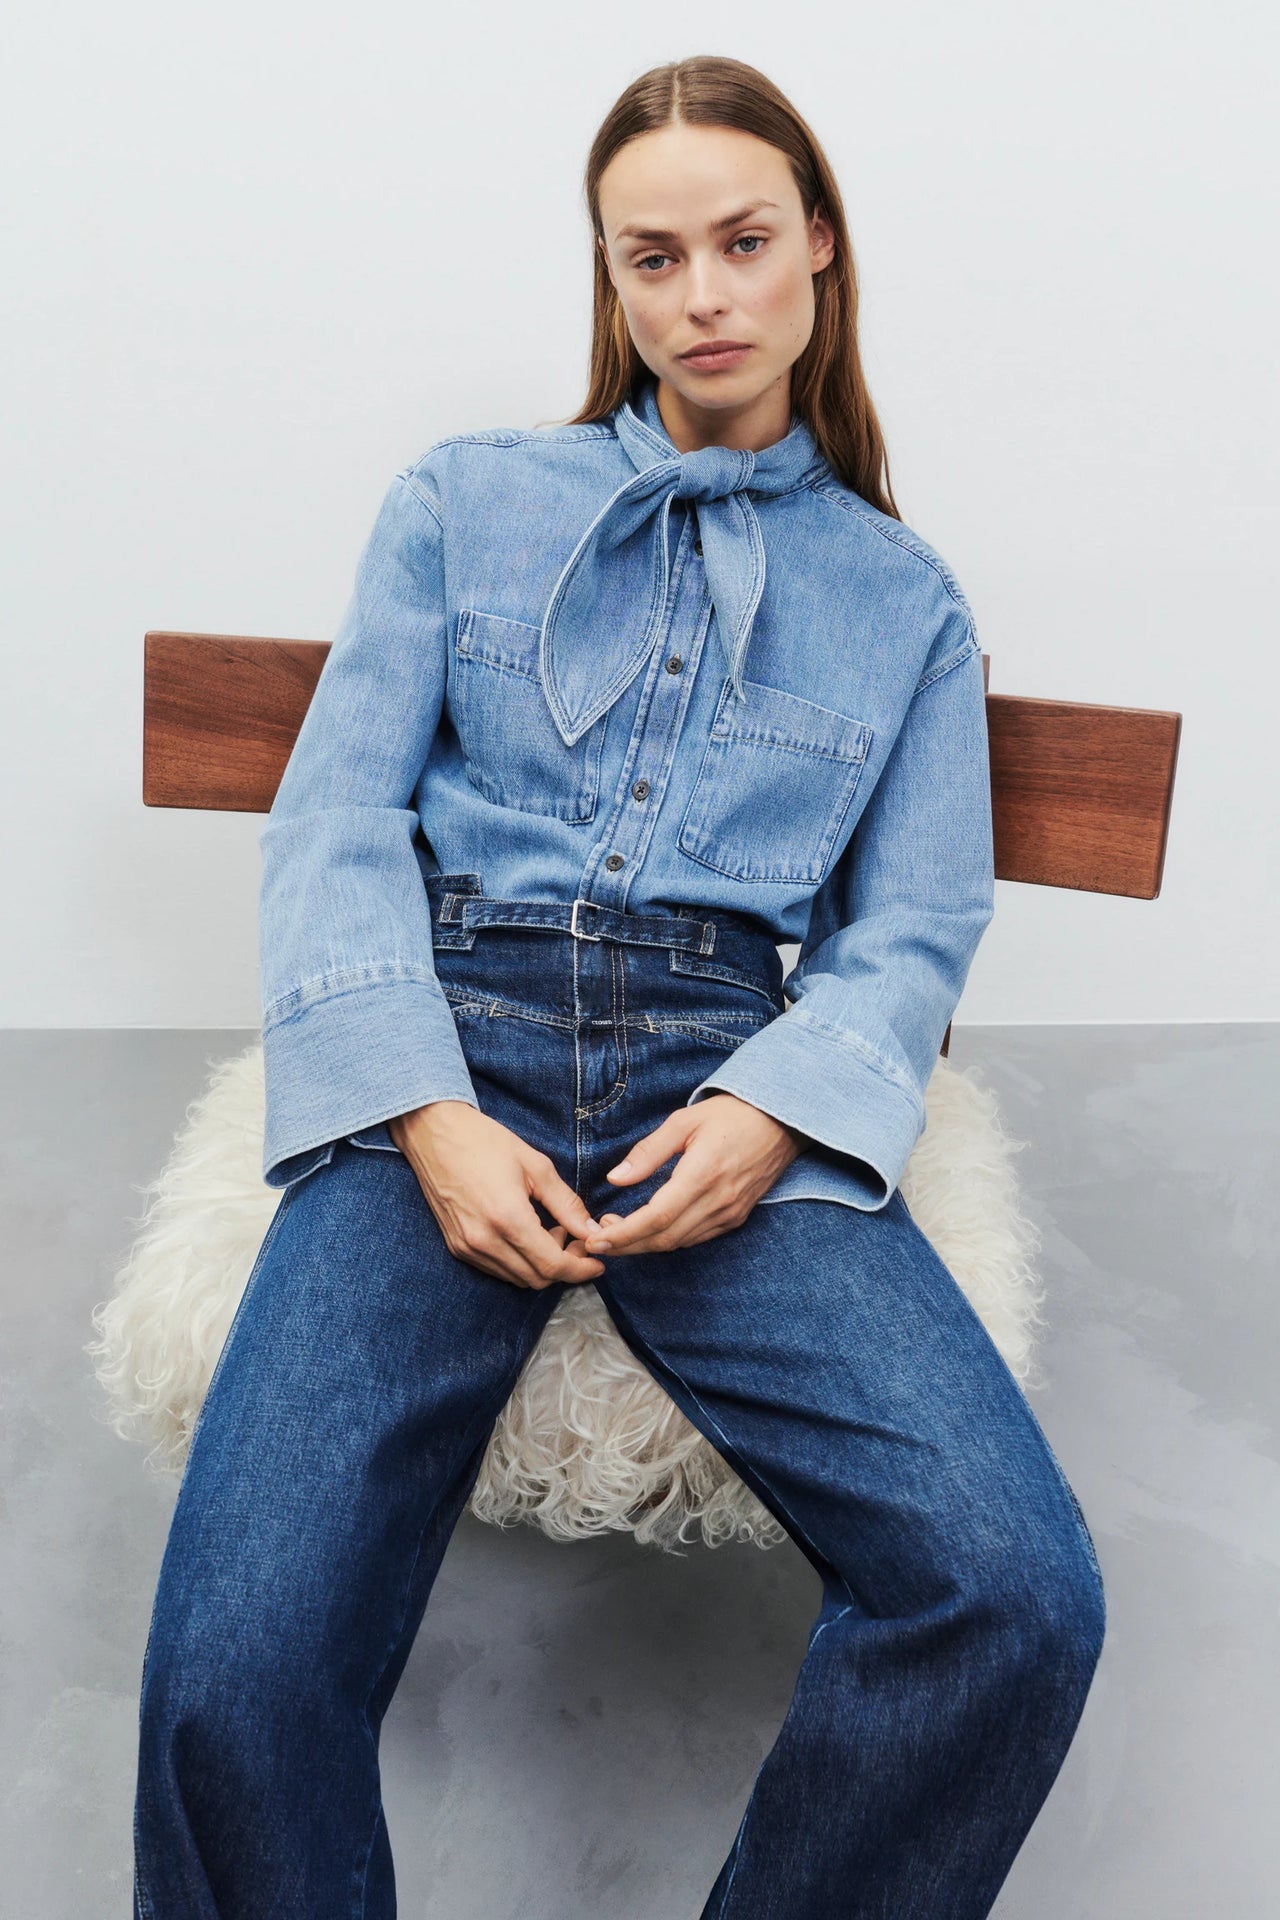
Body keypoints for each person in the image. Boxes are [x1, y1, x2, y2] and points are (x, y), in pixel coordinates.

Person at [132, 53, 1106, 1920]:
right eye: (652, 258)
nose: (702, 296)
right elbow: (333, 825)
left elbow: (912, 928)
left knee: (1013, 1590)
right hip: (447, 1045)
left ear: (819, 245)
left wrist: (776, 1110)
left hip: (720, 1082)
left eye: (743, 242)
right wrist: (424, 1112)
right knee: (232, 1668)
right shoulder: (463, 499)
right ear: (611, 275)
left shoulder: (904, 602)